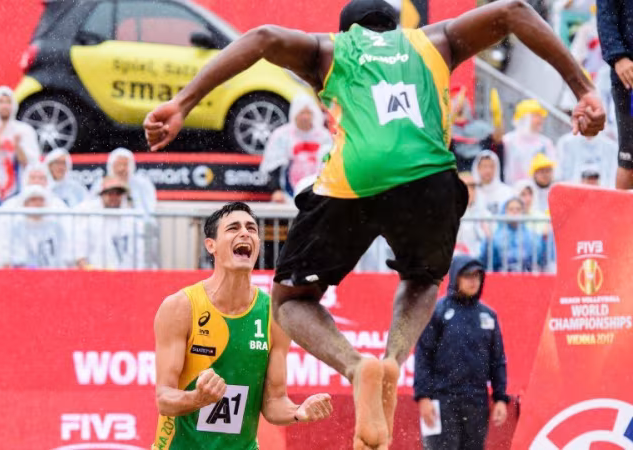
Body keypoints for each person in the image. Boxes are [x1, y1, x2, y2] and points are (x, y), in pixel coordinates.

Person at [142, 0, 604, 447]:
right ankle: (391, 359)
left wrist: (183, 102)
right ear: (395, 25)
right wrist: (583, 89)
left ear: (347, 31)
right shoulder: (435, 40)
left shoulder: (330, 50)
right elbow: (514, 11)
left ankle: (355, 365)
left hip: (355, 179)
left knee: (289, 300)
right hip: (431, 178)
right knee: (423, 280)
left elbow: (261, 38)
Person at [152, 202, 332, 449]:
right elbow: (164, 398)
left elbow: (274, 402)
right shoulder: (181, 307)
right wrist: (198, 398)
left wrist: (298, 411)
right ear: (211, 245)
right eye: (233, 228)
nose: (245, 233)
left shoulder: (274, 314)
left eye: (251, 228)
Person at [414, 256, 509, 450]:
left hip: (476, 402)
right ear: (456, 277)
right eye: (467, 276)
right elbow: (423, 355)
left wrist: (500, 398)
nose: (473, 281)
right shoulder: (437, 311)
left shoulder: (488, 316)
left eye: (477, 275)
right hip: (442, 401)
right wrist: (423, 397)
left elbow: (497, 361)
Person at [260, 94, 333, 202]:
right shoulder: (282, 135)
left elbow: (330, 164)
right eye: (302, 113)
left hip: (318, 193)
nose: (305, 117)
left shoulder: (324, 136)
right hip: (288, 194)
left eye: (308, 113)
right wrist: (276, 190)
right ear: (294, 114)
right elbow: (273, 165)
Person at [74, 177, 152, 270]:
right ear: (102, 195)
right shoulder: (89, 217)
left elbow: (140, 254)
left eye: (118, 194)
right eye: (110, 193)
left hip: (126, 276)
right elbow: (80, 254)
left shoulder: (132, 220)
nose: (114, 197)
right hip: (96, 275)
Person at [596, 0, 633, 189]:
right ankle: (619, 218)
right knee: (629, 158)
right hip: (629, 75)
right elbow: (606, 15)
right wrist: (618, 57)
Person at [8, 185, 67, 269]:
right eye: (33, 200)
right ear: (25, 204)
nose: (37, 203)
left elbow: (63, 252)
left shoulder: (55, 227)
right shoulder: (17, 228)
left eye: (41, 200)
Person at [480, 198, 546, 273]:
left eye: (518, 209)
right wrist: (488, 241)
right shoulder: (496, 236)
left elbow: (540, 259)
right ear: (504, 212)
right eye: (511, 209)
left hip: (526, 278)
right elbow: (486, 261)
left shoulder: (532, 236)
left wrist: (544, 239)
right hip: (502, 278)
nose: (515, 212)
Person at [502, 99, 557, 185]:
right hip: (512, 191)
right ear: (525, 118)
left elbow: (554, 172)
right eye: (537, 116)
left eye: (541, 116)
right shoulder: (507, 141)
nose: (541, 120)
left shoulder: (545, 143)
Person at [106, 148, 157, 214]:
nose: (121, 169)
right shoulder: (102, 184)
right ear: (111, 166)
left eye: (125, 164)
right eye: (118, 164)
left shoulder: (142, 183)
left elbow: (149, 208)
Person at [454, 172, 491, 258]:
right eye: (465, 186)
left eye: (472, 187)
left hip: (478, 263)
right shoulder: (449, 213)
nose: (469, 191)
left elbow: (491, 244)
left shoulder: (484, 214)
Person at [471, 151, 513, 215]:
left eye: (491, 166)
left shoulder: (507, 192)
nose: (488, 170)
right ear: (477, 168)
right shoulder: (471, 192)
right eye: (484, 166)